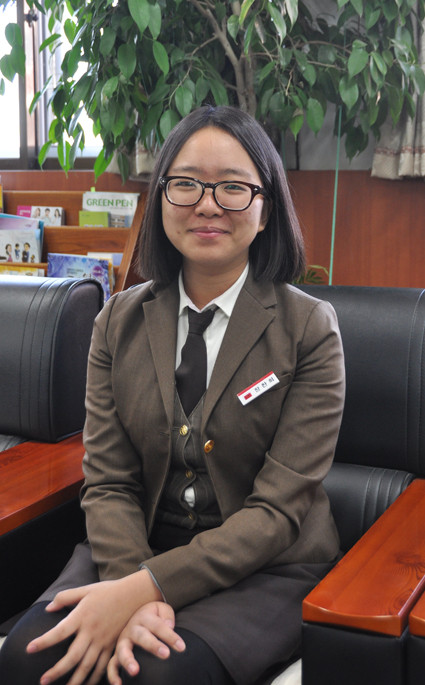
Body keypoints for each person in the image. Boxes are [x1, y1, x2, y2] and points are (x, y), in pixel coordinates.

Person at [0, 105, 345, 685]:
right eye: (186, 184)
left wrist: (148, 590)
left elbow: (278, 512)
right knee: (27, 658)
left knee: (155, 675)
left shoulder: (309, 329)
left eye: (233, 187)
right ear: (161, 197)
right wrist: (129, 582)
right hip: (134, 546)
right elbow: (109, 482)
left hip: (266, 567)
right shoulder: (117, 322)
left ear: (265, 209)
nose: (207, 204)